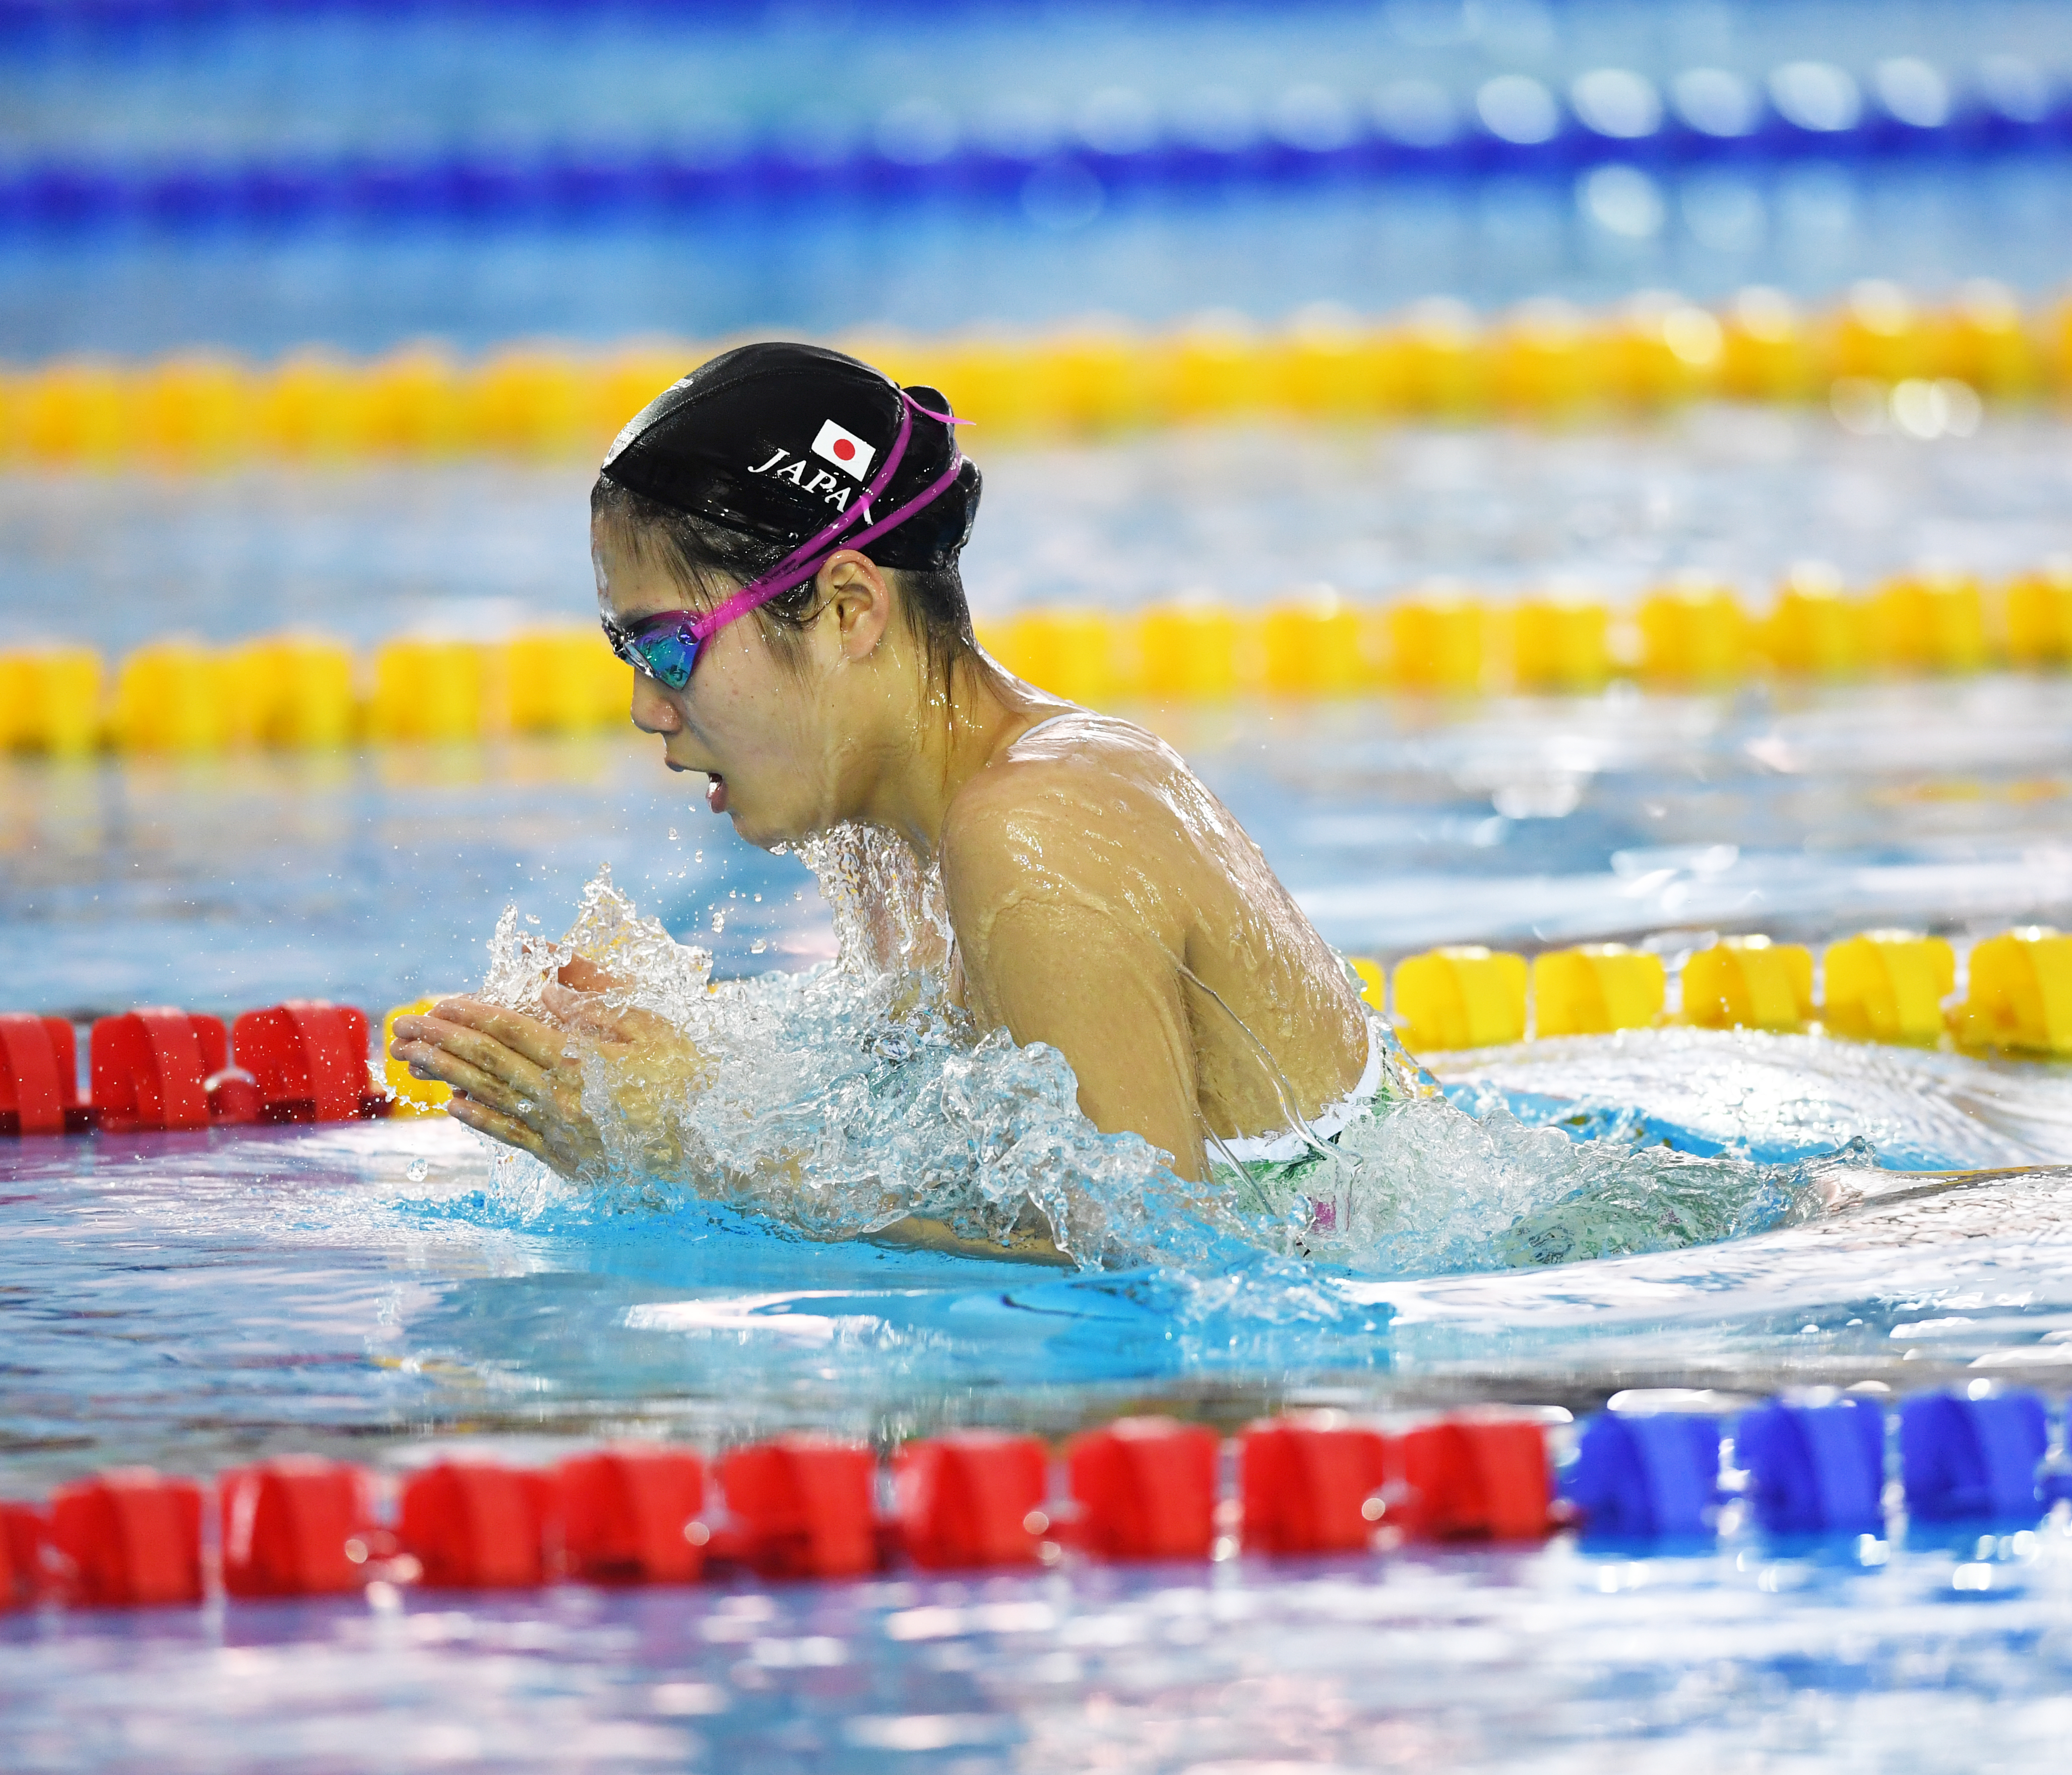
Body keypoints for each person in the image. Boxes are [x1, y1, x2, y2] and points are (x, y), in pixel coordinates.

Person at [388, 341, 1414, 1240]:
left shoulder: (1033, 830)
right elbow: (937, 1133)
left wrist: (698, 1152)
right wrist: (653, 1075)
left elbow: (1152, 1251)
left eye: (666, 646)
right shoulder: (886, 831)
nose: (646, 705)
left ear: (846, 608)